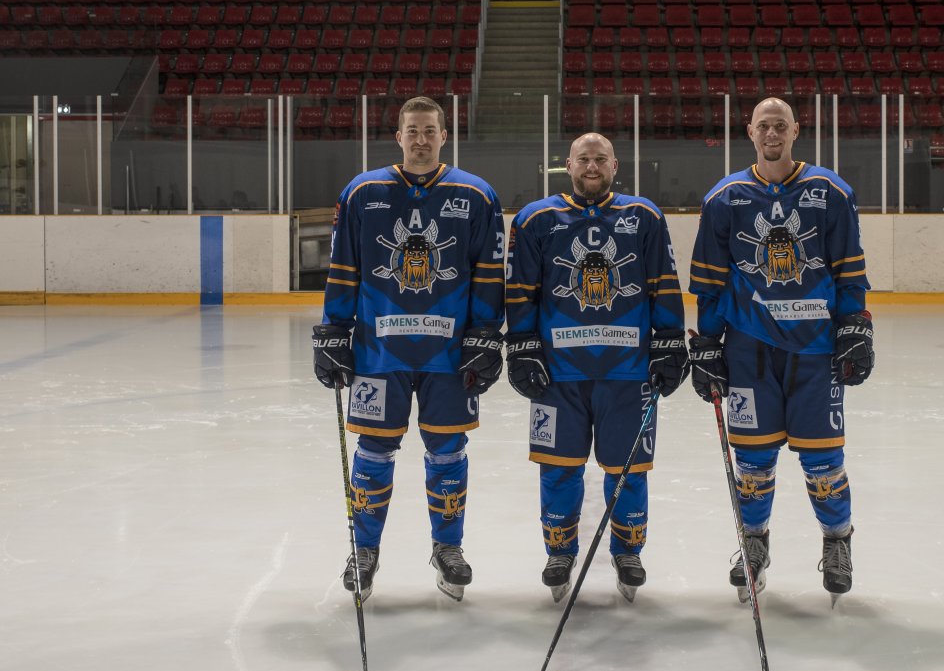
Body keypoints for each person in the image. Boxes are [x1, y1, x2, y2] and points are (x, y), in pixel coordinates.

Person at [311, 96, 506, 602]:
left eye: (429, 131)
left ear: (445, 136)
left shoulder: (475, 194)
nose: (421, 139)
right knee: (374, 451)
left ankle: (448, 548)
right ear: (398, 137)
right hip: (379, 352)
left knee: (448, 451)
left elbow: (489, 273)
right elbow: (344, 267)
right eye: (412, 131)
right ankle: (364, 551)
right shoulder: (363, 192)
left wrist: (485, 333)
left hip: (450, 357)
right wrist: (334, 330)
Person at [687, 97, 874, 604]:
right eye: (764, 126)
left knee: (824, 461)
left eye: (781, 126)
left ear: (796, 130)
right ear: (750, 131)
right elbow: (710, 283)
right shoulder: (725, 198)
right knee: (752, 460)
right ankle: (753, 542)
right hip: (749, 351)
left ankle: (837, 541)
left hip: (815, 352)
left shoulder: (830, 192)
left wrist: (855, 325)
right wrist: (707, 343)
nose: (772, 133)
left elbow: (849, 270)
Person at [505, 132, 689, 603]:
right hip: (557, 374)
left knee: (628, 470)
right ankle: (559, 552)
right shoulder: (536, 219)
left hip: (628, 372)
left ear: (614, 165)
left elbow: (664, 283)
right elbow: (521, 291)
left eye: (600, 159)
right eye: (584, 159)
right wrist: (521, 346)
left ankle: (628, 552)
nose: (592, 166)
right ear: (567, 165)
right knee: (558, 468)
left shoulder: (643, 216)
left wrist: (669, 341)